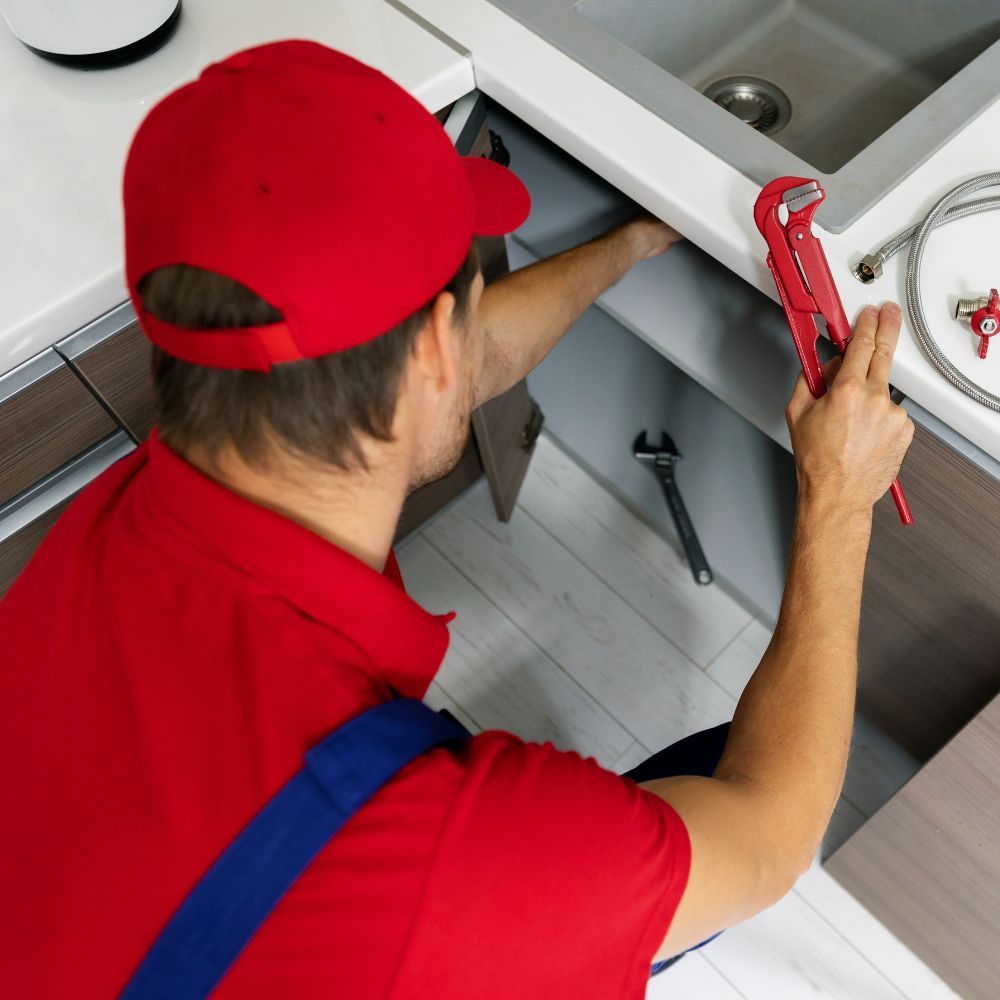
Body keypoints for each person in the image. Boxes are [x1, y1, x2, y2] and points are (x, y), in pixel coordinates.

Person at [0, 40, 913, 999]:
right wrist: (837, 499)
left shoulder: (115, 525)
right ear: (436, 344)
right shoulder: (448, 863)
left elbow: (455, 368)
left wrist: (630, 243)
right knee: (727, 780)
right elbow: (769, 833)